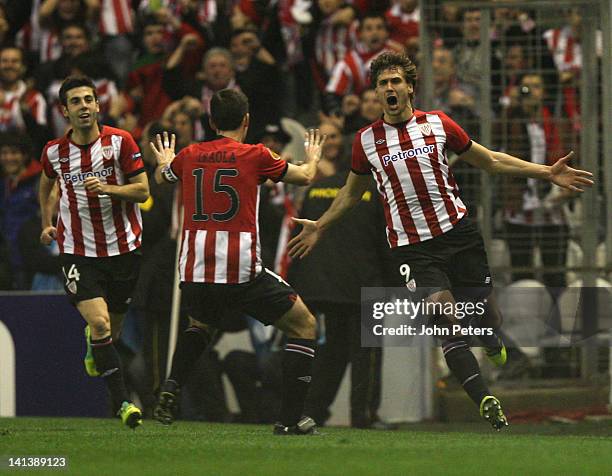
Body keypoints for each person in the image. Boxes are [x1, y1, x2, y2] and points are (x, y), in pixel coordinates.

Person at [288, 52, 594, 430]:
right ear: (377, 92)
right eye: (383, 83)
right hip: (412, 248)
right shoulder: (365, 141)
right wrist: (320, 224)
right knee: (445, 319)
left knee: (485, 316)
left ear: (410, 87)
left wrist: (546, 172)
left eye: (396, 81)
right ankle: (485, 399)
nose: (389, 88)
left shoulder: (437, 124)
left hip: (458, 234)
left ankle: (491, 336)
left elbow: (491, 161)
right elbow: (352, 194)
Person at [149, 88, 325, 435]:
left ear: (212, 121)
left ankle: (170, 386)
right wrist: (314, 156)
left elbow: (162, 177)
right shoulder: (255, 155)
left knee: (200, 325)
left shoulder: (190, 154)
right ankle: (290, 420)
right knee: (304, 325)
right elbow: (304, 176)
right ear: (247, 121)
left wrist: (164, 162)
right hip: (240, 267)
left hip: (196, 265)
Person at [38, 75, 150, 429]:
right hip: (77, 250)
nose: (84, 106)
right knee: (100, 322)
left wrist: (108, 189)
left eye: (89, 99)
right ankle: (123, 404)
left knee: (110, 332)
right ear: (64, 111)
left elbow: (143, 190)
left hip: (123, 249)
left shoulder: (121, 142)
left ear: (98, 105)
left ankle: (94, 343)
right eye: (76, 101)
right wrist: (47, 221)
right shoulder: (54, 152)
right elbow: (46, 186)